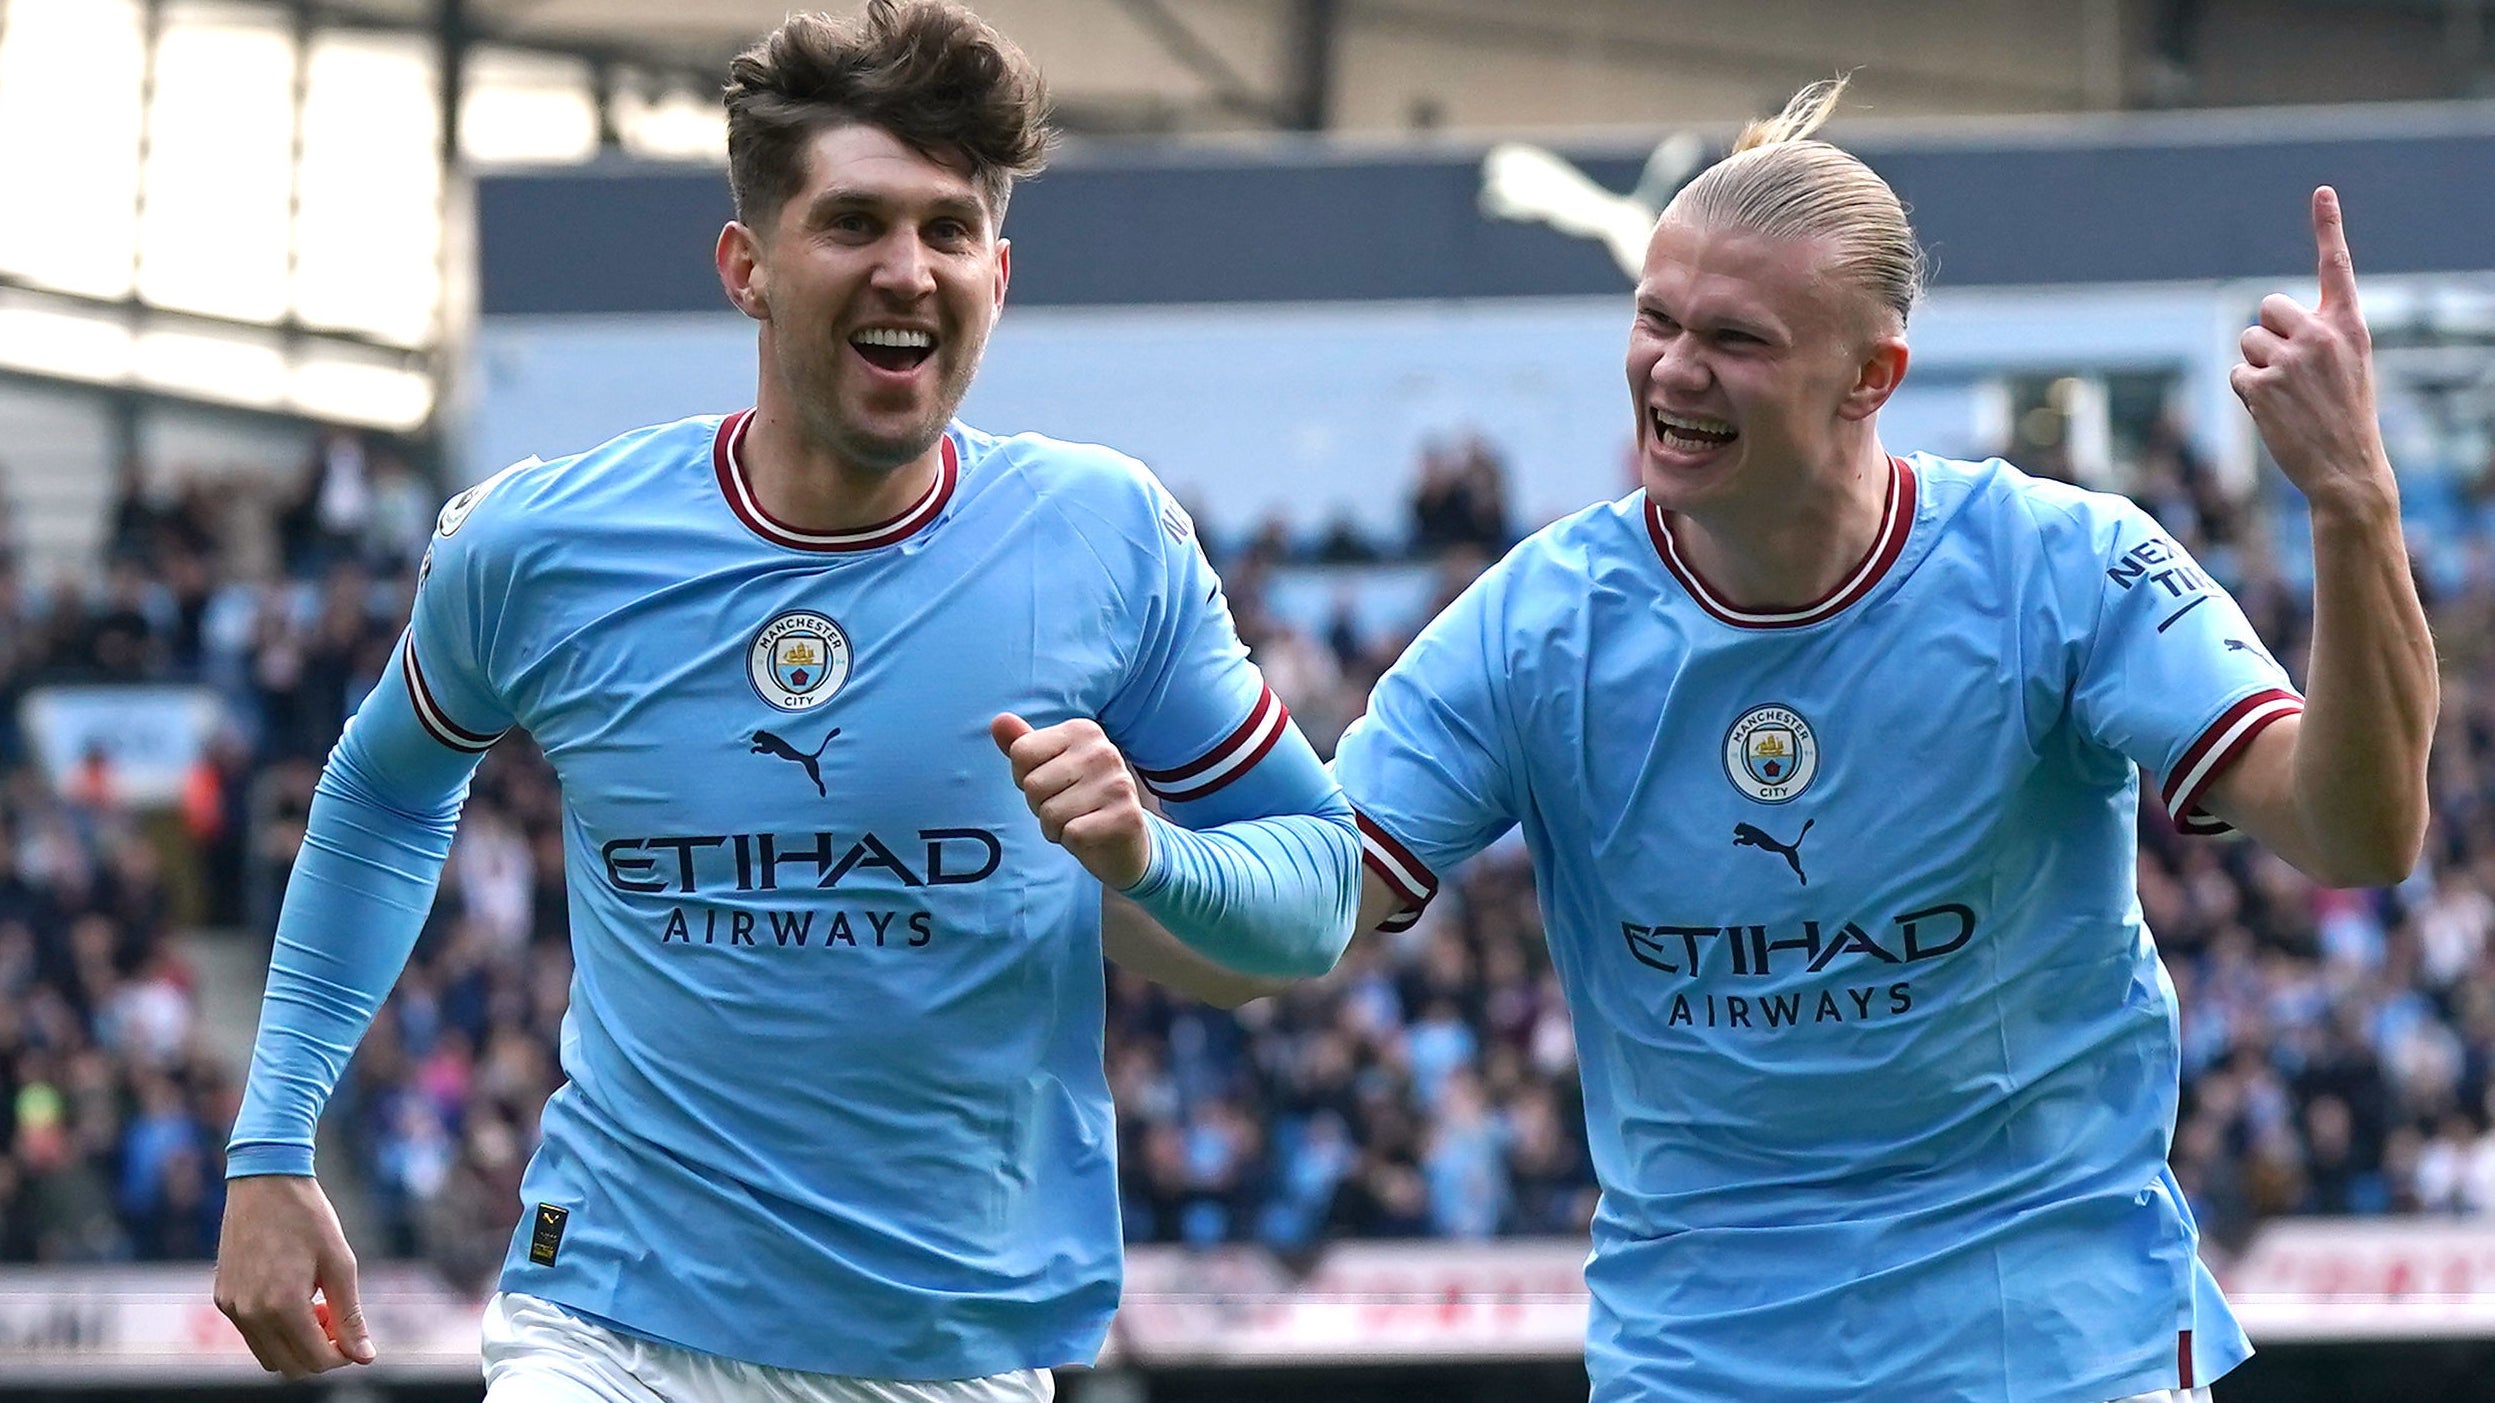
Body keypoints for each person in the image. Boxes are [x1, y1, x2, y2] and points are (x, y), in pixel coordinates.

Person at [212, 3, 1360, 1397]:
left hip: (945, 1353)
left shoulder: (1101, 537)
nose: (908, 270)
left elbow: (1320, 889)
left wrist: (1150, 860)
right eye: (856, 223)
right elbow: (386, 790)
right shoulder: (542, 551)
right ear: (746, 268)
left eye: (947, 231)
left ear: (999, 271)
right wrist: (275, 1143)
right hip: (613, 1326)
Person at [1330, 79, 2434, 1403]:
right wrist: (1127, 852)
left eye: (1735, 338)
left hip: (2057, 1355)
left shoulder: (2065, 568)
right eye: (1656, 321)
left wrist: (2356, 505)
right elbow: (1306, 909)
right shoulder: (1532, 628)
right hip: (1704, 1368)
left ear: (1873, 377)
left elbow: (2359, 834)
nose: (1673, 370)